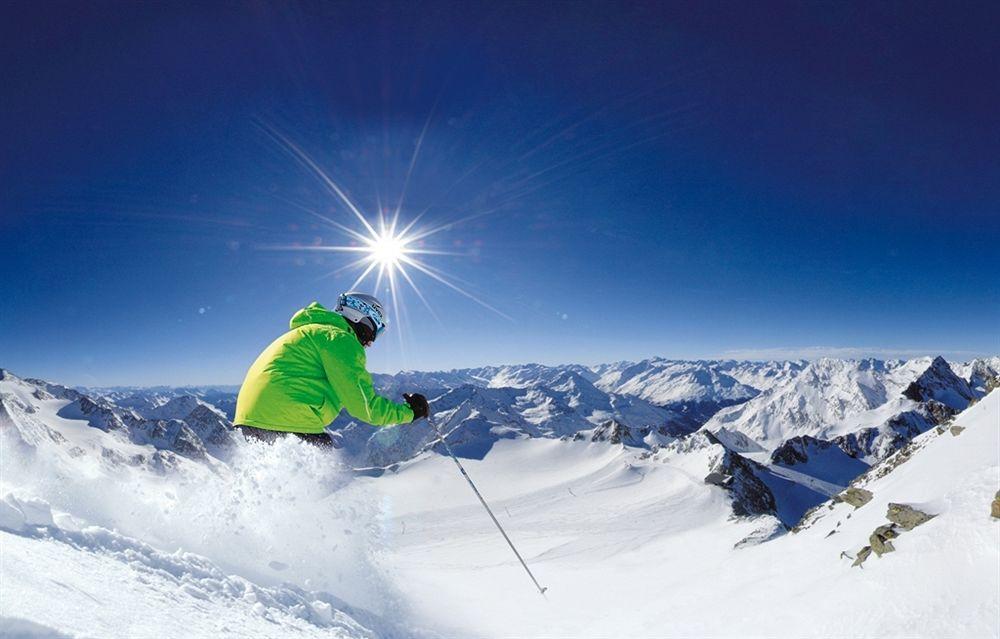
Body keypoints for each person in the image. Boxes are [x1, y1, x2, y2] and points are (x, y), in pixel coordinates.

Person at [233, 292, 428, 447]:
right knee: (323, 474)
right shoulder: (340, 340)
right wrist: (410, 413)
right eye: (373, 331)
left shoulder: (308, 332)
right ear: (361, 318)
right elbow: (365, 407)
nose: (370, 342)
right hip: (288, 418)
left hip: (249, 419)